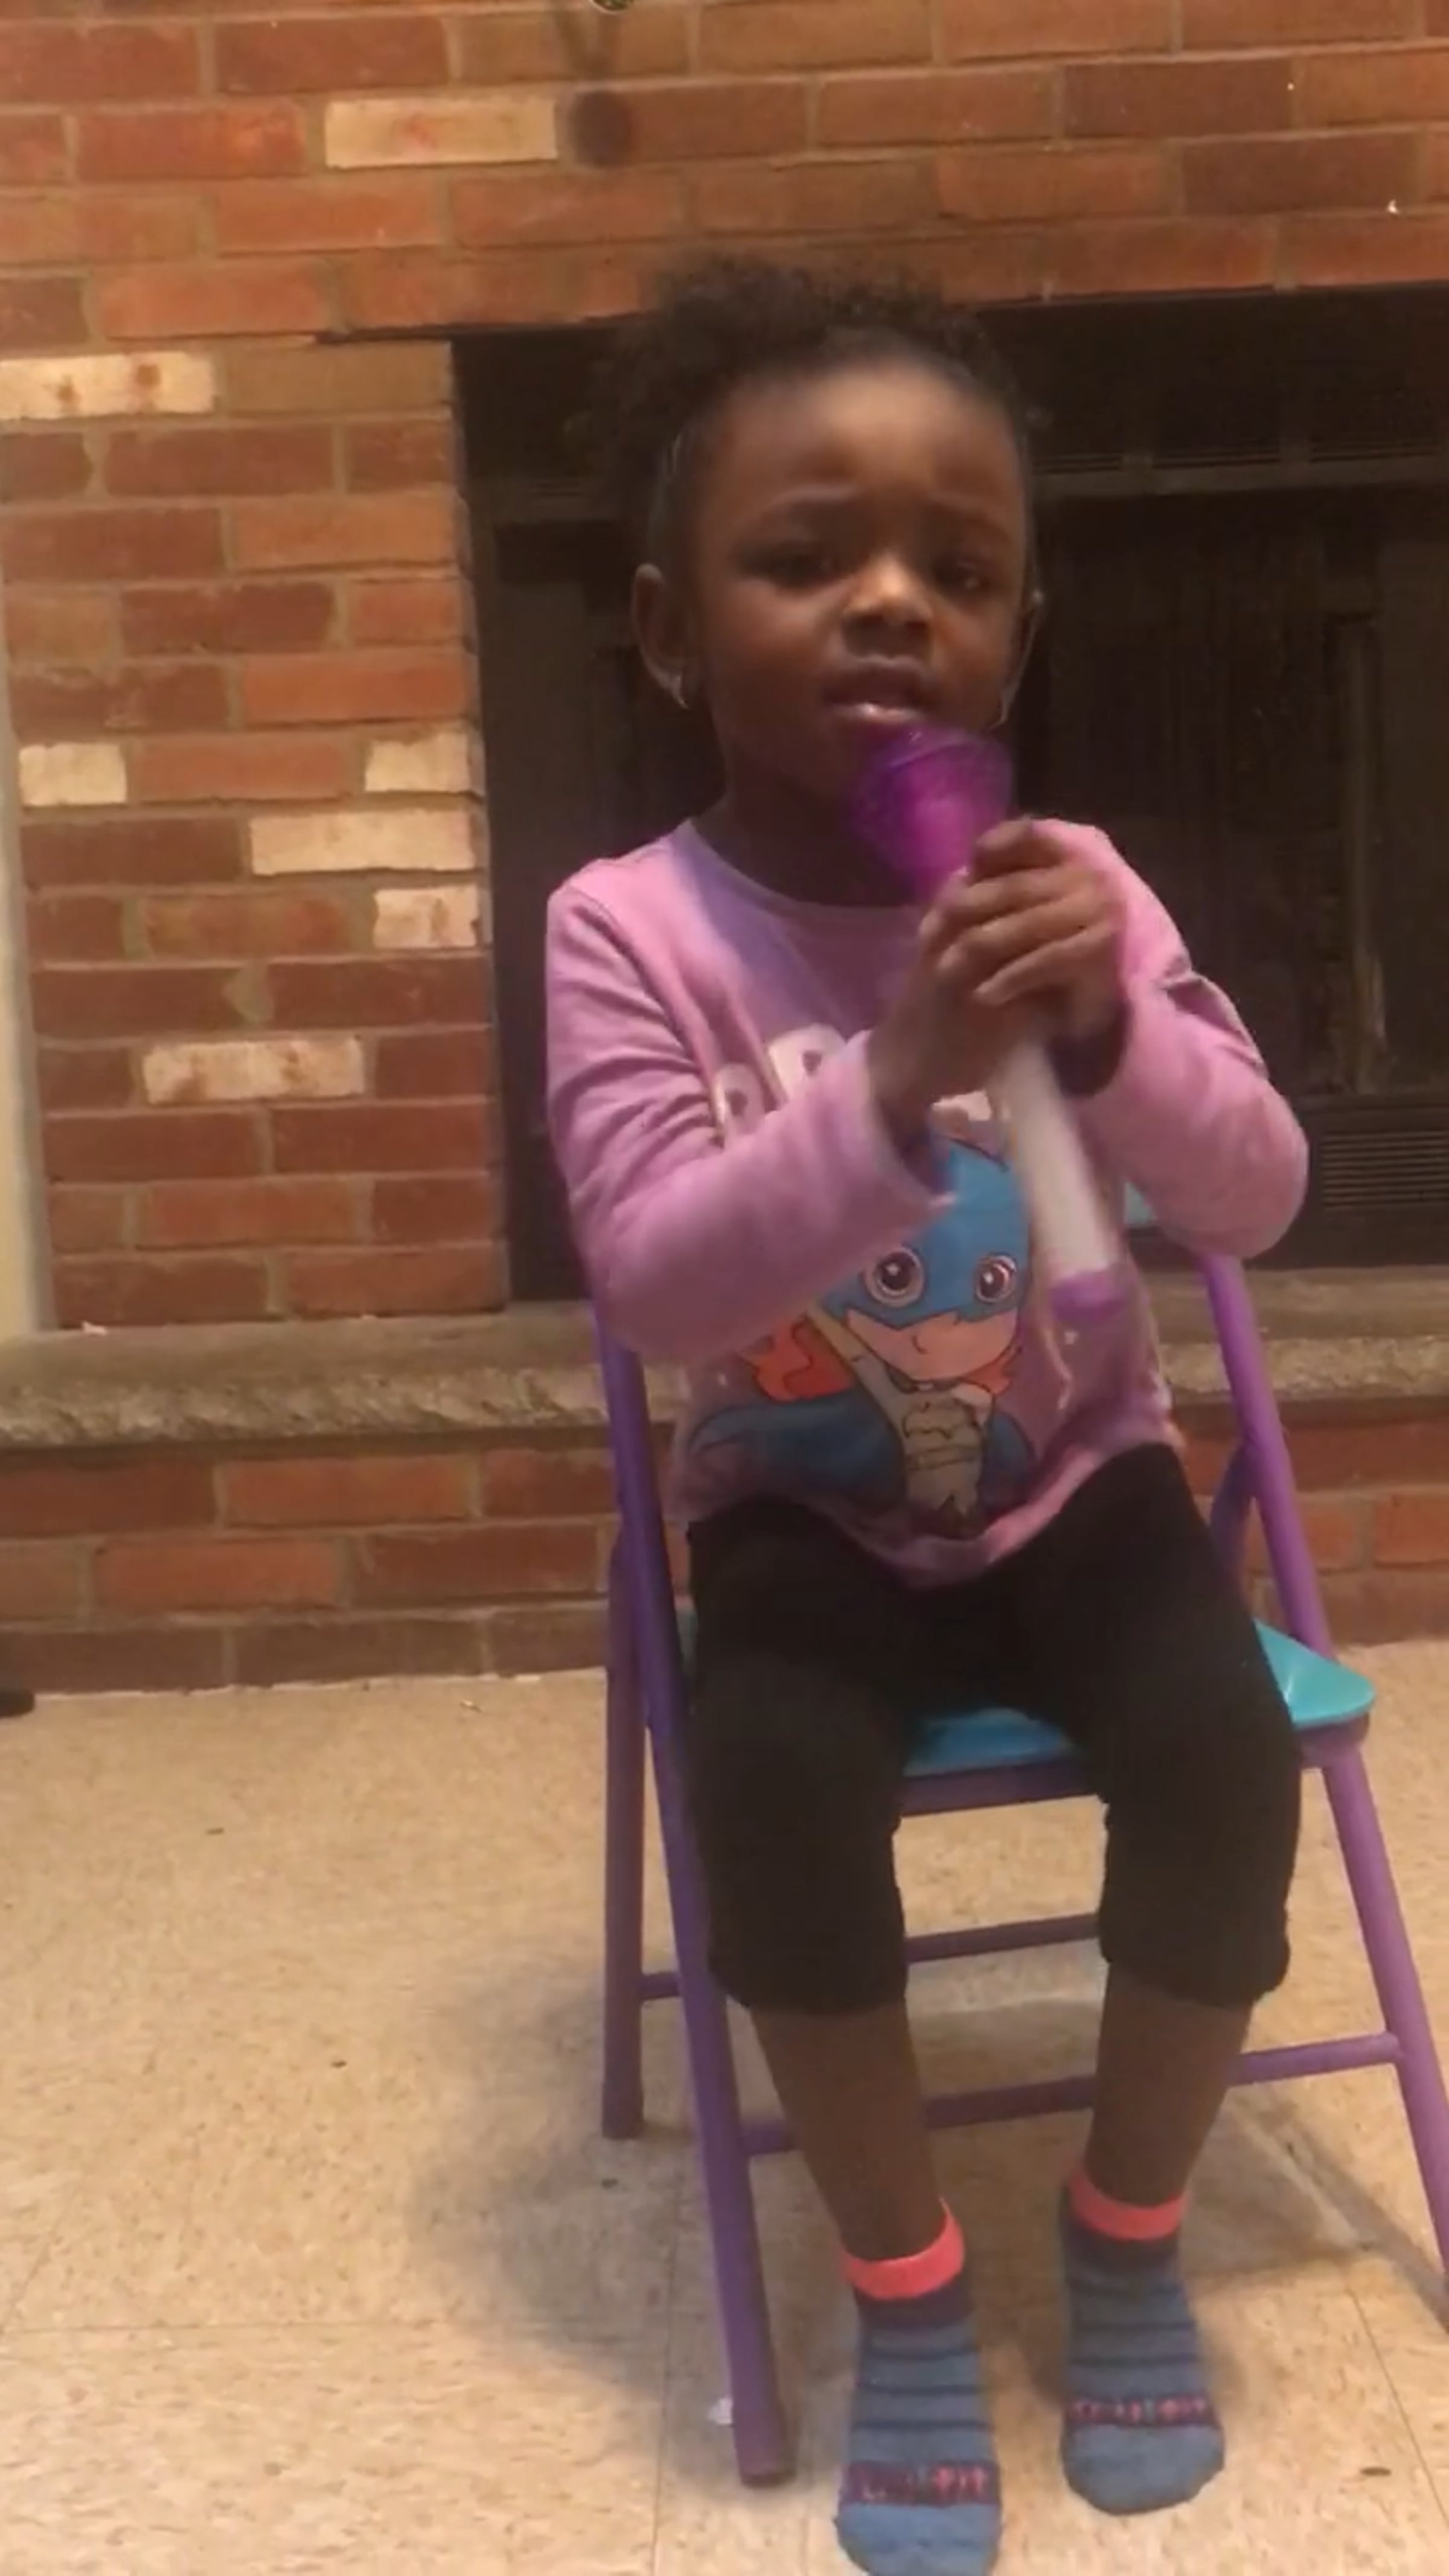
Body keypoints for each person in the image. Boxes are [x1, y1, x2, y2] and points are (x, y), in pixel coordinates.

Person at [547, 258, 1307, 2576]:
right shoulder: (630, 930)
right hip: (802, 1511)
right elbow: (660, 1282)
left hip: (1077, 1479)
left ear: (1018, 629)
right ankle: (904, 2276)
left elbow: (1255, 1196)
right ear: (672, 632)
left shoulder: (1081, 895)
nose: (893, 601)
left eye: (958, 570)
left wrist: (1113, 1039)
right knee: (772, 1786)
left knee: (1226, 1757)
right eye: (809, 556)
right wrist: (890, 1083)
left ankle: (1125, 2218)